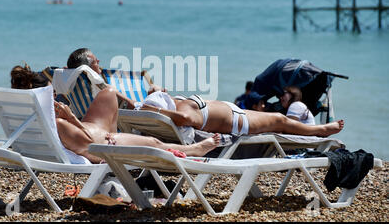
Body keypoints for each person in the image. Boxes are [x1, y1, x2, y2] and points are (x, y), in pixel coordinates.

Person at [10, 64, 220, 164]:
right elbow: (91, 147)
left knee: (108, 92)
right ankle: (194, 149)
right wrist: (71, 117)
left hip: (96, 132)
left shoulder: (31, 121)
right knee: (154, 143)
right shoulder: (61, 124)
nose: (55, 97)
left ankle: (132, 107)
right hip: (107, 143)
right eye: (52, 93)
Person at [136, 91, 344, 138]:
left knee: (279, 120)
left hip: (236, 113)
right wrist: (155, 110)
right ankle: (319, 130)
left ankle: (317, 130)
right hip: (239, 122)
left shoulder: (179, 103)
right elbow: (186, 120)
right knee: (280, 120)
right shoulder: (182, 111)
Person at [66, 47, 166, 95]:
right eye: (95, 62)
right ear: (88, 69)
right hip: (131, 117)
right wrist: (152, 94)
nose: (99, 61)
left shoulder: (69, 86)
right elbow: (132, 107)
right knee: (156, 89)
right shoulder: (103, 87)